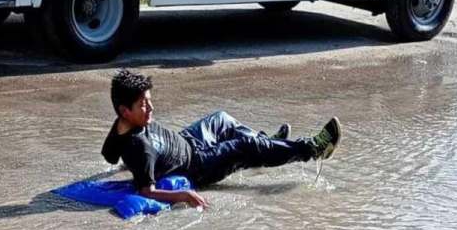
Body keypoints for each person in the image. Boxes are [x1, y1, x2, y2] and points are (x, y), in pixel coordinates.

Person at [101, 69, 341, 209]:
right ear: (125, 111)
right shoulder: (140, 148)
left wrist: (123, 162)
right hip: (199, 165)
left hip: (188, 140)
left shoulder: (121, 126)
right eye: (143, 105)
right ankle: (313, 148)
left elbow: (110, 155)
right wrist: (184, 195)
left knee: (222, 118)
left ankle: (267, 145)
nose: (151, 107)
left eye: (149, 100)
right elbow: (146, 192)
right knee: (245, 146)